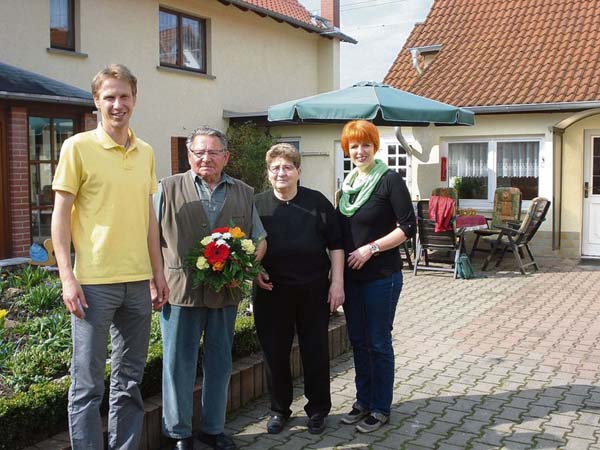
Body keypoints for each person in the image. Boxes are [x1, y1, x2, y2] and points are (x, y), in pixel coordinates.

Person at [51, 64, 169, 450]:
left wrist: (158, 273)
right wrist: (67, 277)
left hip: (137, 284)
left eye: (124, 96)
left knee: (129, 381)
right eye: (109, 97)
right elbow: (60, 217)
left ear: (135, 99)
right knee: (87, 383)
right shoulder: (78, 147)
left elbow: (148, 218)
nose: (118, 104)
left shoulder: (146, 151)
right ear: (96, 102)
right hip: (93, 285)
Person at [155, 126, 267, 450]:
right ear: (189, 155)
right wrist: (154, 277)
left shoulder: (245, 192)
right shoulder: (167, 188)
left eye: (213, 152)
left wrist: (245, 267)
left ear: (226, 157)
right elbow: (149, 238)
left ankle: (212, 429)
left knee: (220, 363)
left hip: (226, 292)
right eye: (199, 152)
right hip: (180, 292)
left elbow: (259, 239)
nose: (206, 158)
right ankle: (177, 433)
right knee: (178, 363)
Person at [254, 144, 345, 435]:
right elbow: (245, 247)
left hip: (313, 290)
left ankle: (317, 410)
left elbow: (336, 245)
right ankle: (279, 409)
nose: (281, 173)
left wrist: (337, 283)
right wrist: (254, 272)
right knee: (274, 353)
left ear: (298, 172)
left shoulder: (317, 203)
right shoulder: (256, 205)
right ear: (268, 174)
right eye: (275, 168)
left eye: (287, 167)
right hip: (271, 292)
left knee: (315, 351)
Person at [336, 120, 416, 433]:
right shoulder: (348, 185)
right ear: (347, 150)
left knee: (379, 342)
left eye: (365, 144)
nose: (359, 151)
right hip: (352, 278)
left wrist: (371, 248)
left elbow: (408, 227)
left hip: (382, 276)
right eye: (353, 146)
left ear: (374, 146)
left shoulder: (390, 180)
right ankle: (363, 401)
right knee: (358, 341)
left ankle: (381, 407)